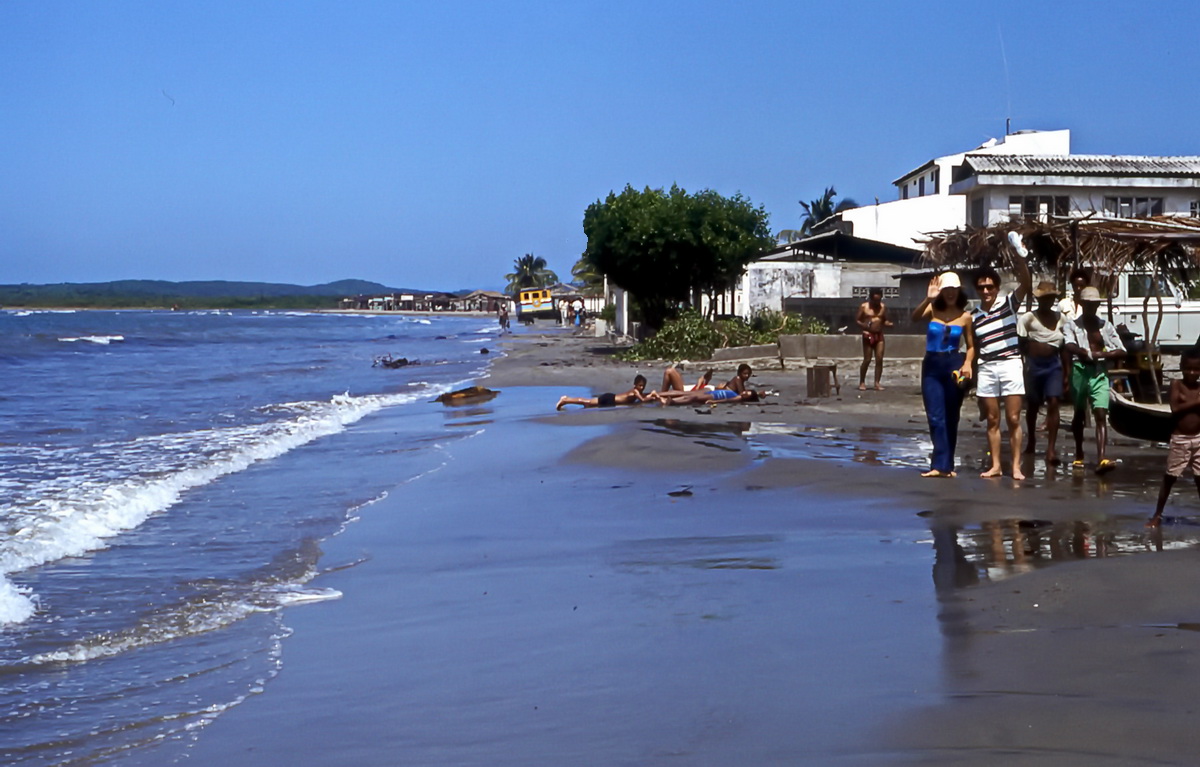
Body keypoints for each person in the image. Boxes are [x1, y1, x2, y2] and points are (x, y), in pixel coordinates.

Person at [972, 250, 1033, 480]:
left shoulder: (1008, 305)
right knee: (992, 419)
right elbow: (973, 346)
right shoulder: (974, 315)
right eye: (981, 287)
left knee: (1014, 418)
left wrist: (1020, 259)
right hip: (987, 367)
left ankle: (1015, 466)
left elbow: (1026, 284)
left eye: (989, 287)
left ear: (997, 288)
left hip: (1010, 364)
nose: (986, 291)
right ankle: (996, 465)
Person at [912, 272, 975, 478]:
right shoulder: (932, 309)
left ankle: (946, 465)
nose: (950, 293)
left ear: (959, 291)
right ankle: (939, 464)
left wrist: (967, 363)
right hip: (932, 363)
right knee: (935, 416)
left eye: (953, 290)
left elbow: (972, 346)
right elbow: (913, 319)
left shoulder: (965, 316)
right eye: (946, 289)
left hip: (953, 363)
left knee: (951, 416)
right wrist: (927, 299)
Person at [1063, 287, 1126, 473]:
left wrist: (1101, 354)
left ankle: (1101, 457)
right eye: (1087, 304)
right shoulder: (1072, 325)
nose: (1091, 307)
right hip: (1080, 370)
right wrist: (1085, 353)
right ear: (1081, 305)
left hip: (1099, 371)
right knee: (1080, 413)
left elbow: (1122, 349)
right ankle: (1079, 453)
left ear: (1098, 305)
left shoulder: (1105, 326)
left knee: (1100, 413)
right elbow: (1069, 345)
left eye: (1094, 304)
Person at [1018, 281, 1069, 467]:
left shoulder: (1062, 319)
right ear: (1038, 299)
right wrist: (1024, 368)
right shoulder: (1028, 318)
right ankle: (1031, 439)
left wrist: (1066, 373)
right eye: (1043, 299)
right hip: (1033, 365)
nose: (1047, 302)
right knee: (1032, 405)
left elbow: (1065, 348)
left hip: (1053, 365)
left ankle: (1051, 449)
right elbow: (1021, 345)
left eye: (1050, 298)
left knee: (1054, 402)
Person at [1150, 347, 1200, 527]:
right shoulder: (1176, 385)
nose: (1192, 373)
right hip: (1180, 439)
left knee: (1199, 479)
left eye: (1196, 370)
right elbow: (1175, 409)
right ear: (1181, 367)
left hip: (1199, 439)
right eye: (1188, 369)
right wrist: (1196, 402)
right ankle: (1157, 514)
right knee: (1170, 477)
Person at [856, 288, 894, 391]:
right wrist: (864, 326)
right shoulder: (864, 307)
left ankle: (877, 382)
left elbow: (884, 320)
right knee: (867, 359)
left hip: (879, 334)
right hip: (868, 334)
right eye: (875, 300)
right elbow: (857, 320)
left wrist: (889, 324)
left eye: (878, 300)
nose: (877, 302)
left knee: (879, 358)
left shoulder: (883, 307)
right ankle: (862, 381)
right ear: (871, 298)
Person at [556, 375, 650, 410]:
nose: (641, 388)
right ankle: (566, 400)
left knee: (588, 404)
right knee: (587, 402)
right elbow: (642, 400)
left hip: (611, 400)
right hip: (610, 399)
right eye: (640, 385)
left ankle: (567, 400)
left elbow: (643, 397)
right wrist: (653, 395)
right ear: (635, 385)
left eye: (643, 386)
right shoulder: (635, 392)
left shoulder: (636, 392)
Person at [651, 388, 760, 406]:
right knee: (689, 395)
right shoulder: (738, 394)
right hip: (712, 393)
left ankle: (673, 402)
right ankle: (667, 400)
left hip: (714, 396)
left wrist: (714, 402)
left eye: (747, 395)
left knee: (694, 398)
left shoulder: (738, 398)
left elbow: (727, 400)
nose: (744, 393)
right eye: (746, 391)